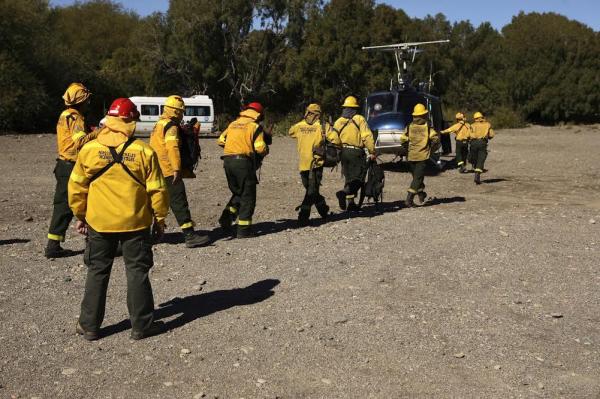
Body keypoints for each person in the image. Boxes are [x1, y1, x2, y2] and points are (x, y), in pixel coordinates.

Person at [68, 98, 169, 341]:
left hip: (99, 223)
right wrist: (160, 219)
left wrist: (80, 215)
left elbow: (76, 188)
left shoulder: (89, 150)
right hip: (136, 224)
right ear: (130, 121)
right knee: (137, 272)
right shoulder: (143, 152)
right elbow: (157, 190)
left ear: (109, 119)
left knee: (97, 271)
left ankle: (89, 325)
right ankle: (142, 326)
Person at [45, 83, 99, 258]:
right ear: (82, 100)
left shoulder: (65, 115)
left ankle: (53, 244)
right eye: (87, 99)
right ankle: (94, 243)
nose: (89, 102)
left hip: (63, 165)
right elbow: (80, 141)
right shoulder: (75, 117)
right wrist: (99, 133)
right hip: (73, 166)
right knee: (87, 200)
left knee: (62, 205)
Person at [149, 95, 209, 248]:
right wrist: (176, 169)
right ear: (176, 112)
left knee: (156, 203)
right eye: (181, 111)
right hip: (168, 170)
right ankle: (190, 236)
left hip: (156, 169)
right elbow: (172, 148)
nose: (182, 114)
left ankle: (152, 233)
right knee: (179, 202)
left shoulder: (158, 124)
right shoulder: (171, 127)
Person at [217, 102, 268, 238]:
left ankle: (226, 218)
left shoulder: (233, 124)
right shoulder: (254, 127)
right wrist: (264, 150)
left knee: (238, 192)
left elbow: (221, 140)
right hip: (243, 163)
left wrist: (234, 147)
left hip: (227, 161)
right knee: (248, 196)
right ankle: (244, 230)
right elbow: (260, 148)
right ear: (258, 114)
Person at [288, 103, 341, 226]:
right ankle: (323, 209)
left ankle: (303, 217)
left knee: (310, 191)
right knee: (312, 191)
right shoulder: (323, 126)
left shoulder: (300, 126)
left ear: (307, 113)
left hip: (309, 165)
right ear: (319, 114)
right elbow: (336, 140)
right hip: (312, 165)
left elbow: (291, 132)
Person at [333, 96, 376, 212]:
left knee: (349, 178)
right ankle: (343, 193)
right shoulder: (359, 119)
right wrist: (372, 151)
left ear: (345, 108)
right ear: (355, 108)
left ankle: (351, 204)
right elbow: (366, 136)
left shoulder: (339, 121)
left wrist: (340, 147)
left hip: (343, 152)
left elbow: (332, 137)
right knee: (359, 178)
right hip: (356, 152)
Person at [400, 103, 440, 207]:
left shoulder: (409, 127)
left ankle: (421, 194)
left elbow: (403, 140)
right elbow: (436, 140)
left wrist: (408, 150)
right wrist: (431, 150)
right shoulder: (427, 128)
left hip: (411, 156)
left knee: (417, 176)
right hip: (422, 157)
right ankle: (409, 199)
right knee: (417, 178)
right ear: (424, 115)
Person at [470, 111, 495, 184]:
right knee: (481, 158)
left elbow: (469, 134)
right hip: (482, 143)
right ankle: (477, 172)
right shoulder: (487, 124)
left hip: (473, 143)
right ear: (482, 117)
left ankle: (473, 164)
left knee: (474, 156)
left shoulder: (472, 125)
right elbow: (491, 135)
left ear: (475, 118)